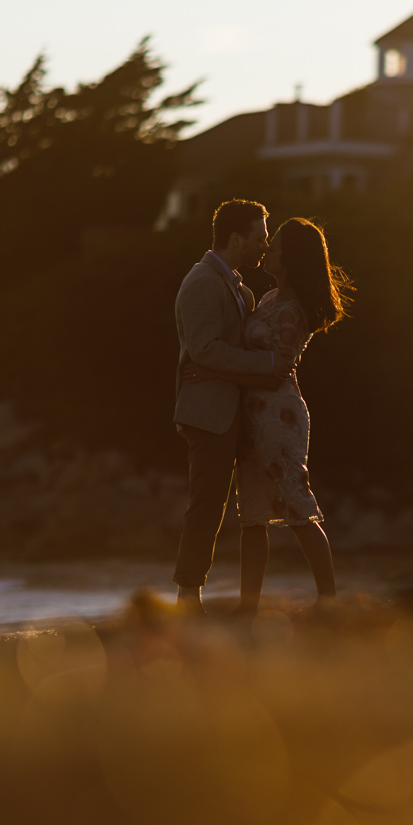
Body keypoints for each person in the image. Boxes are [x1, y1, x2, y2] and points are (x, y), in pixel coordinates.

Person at [181, 217, 352, 613]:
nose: (266, 250)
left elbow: (274, 368)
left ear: (289, 257)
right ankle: (248, 606)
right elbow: (255, 360)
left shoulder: (292, 310)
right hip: (251, 413)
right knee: (252, 515)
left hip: (278, 414)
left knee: (297, 504)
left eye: (273, 245)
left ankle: (328, 600)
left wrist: (210, 369)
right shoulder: (271, 297)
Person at [172, 199, 295, 614]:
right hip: (208, 412)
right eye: (260, 236)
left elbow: (214, 354)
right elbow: (204, 348)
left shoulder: (239, 286)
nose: (264, 244)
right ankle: (188, 595)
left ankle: (214, 598)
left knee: (236, 509)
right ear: (236, 238)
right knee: (206, 503)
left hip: (233, 409)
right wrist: (266, 364)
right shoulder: (203, 281)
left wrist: (221, 369)